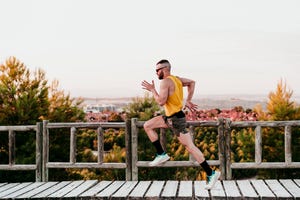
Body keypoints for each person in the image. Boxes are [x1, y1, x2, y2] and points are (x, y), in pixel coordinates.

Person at [141, 59, 220, 190]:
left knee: (190, 147)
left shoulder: (165, 81)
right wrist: (188, 100)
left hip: (176, 120)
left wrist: (153, 90)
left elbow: (161, 101)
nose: (156, 73)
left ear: (165, 69)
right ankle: (161, 154)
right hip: (171, 117)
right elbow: (192, 82)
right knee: (147, 125)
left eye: (157, 70)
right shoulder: (176, 79)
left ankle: (211, 173)